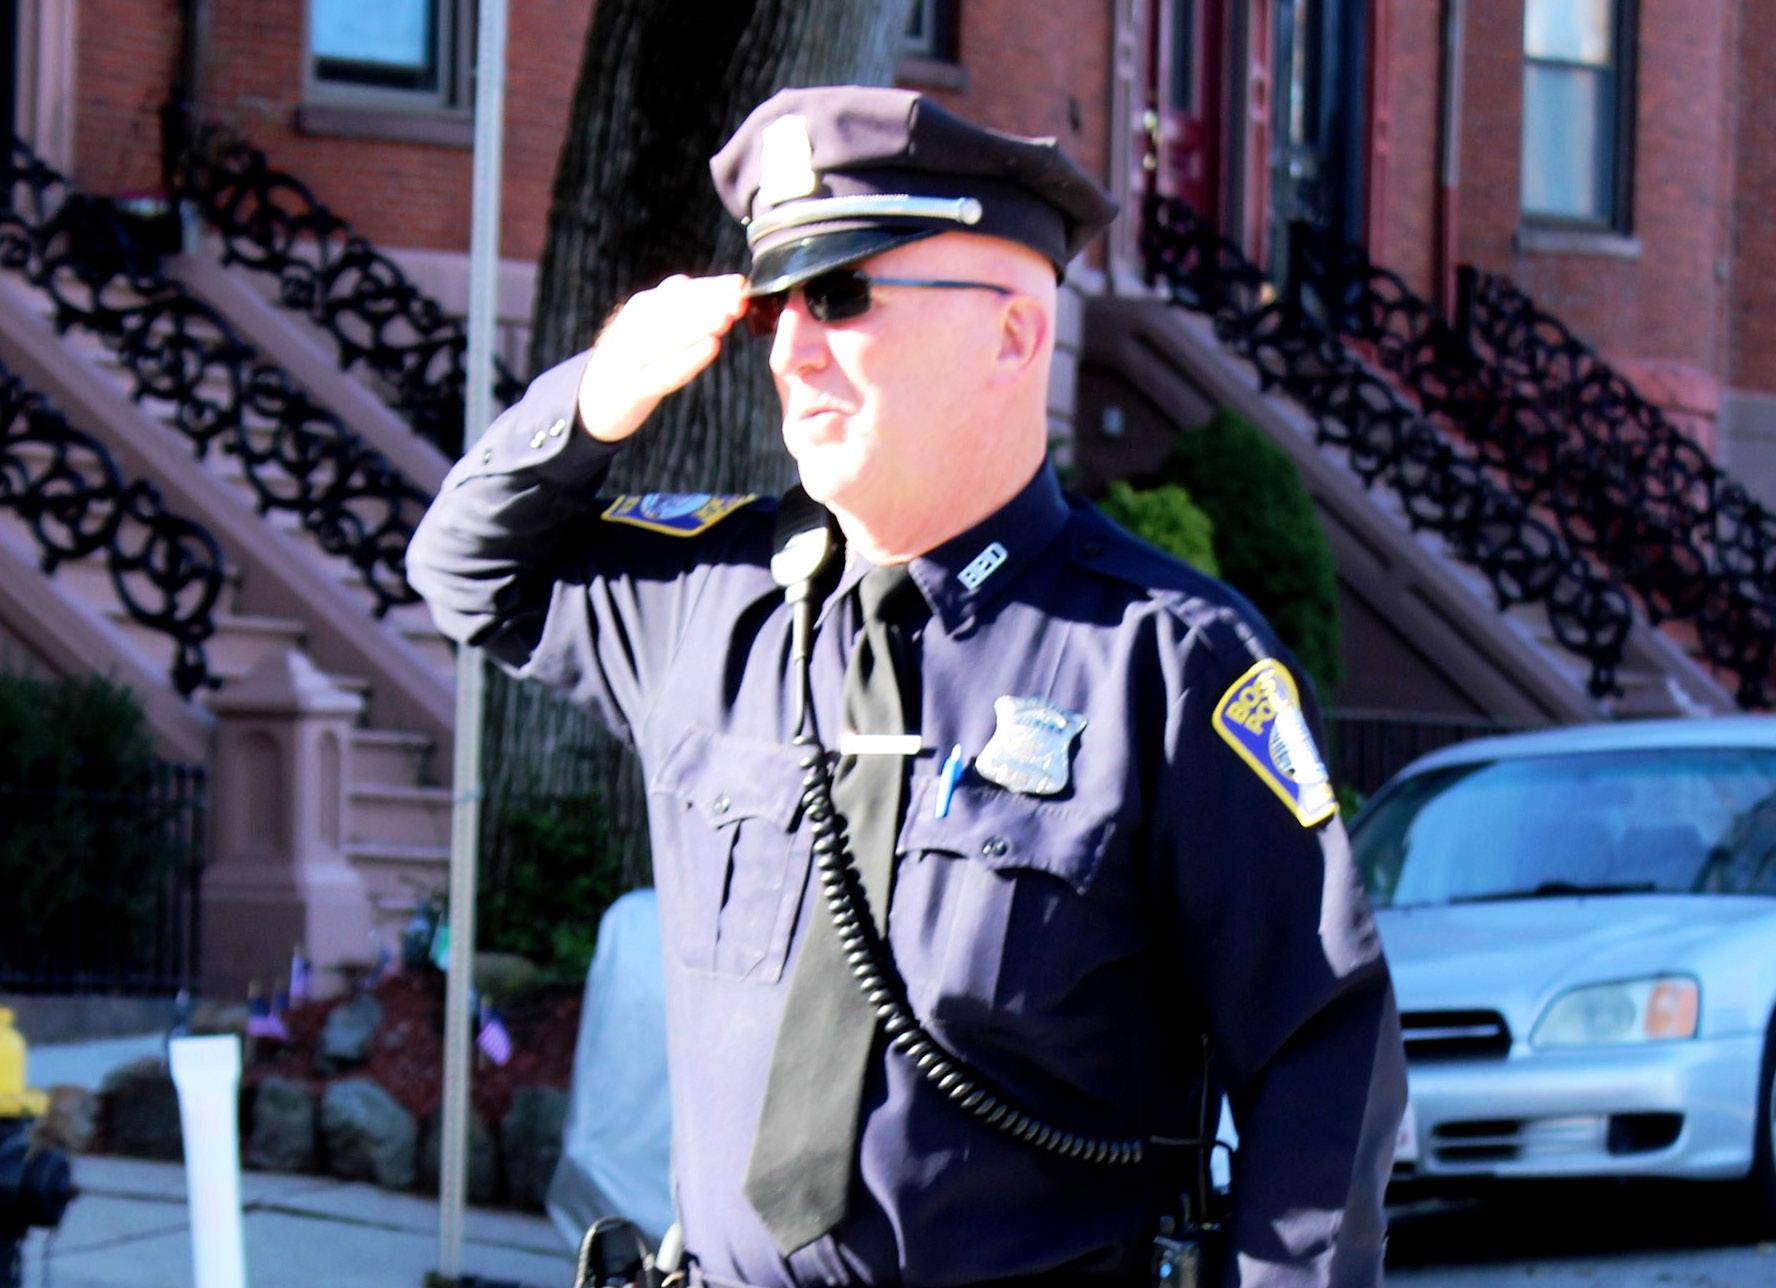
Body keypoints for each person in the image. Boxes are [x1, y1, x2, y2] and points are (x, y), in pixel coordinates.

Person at [408, 85, 1406, 1288]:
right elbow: (467, 569)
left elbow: (1321, 1058)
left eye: (841, 296)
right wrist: (597, 394)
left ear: (1014, 335)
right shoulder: (711, 601)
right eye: (776, 305)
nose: (794, 350)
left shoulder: (1167, 661)